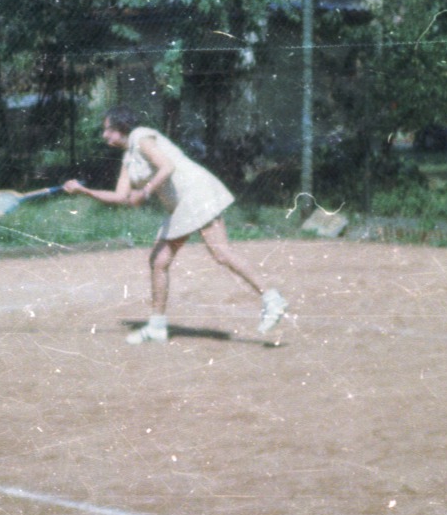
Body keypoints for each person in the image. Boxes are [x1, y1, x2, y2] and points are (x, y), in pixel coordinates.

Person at [63, 107, 288, 344]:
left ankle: (272, 298)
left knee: (221, 253)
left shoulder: (141, 136)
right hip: (182, 205)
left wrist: (146, 191)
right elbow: (121, 197)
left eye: (107, 129)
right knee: (159, 261)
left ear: (121, 127)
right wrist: (84, 191)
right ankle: (157, 326)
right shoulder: (128, 158)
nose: (104, 135)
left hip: (196, 193)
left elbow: (167, 166)